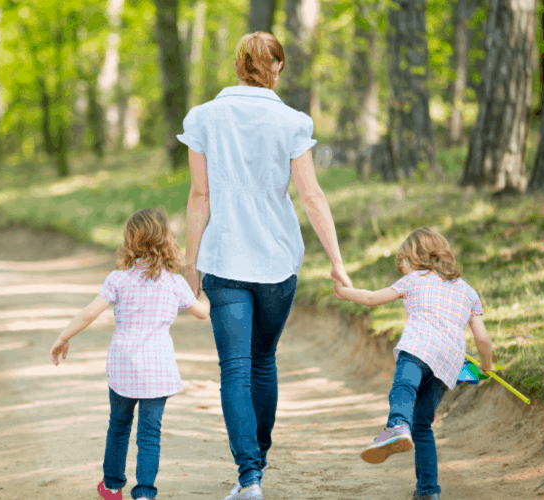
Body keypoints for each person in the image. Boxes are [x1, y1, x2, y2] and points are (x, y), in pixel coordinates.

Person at [178, 31, 353, 500]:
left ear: (238, 65)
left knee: (234, 368)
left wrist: (190, 265)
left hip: (226, 257)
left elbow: (200, 195)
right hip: (278, 261)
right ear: (276, 68)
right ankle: (260, 460)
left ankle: (249, 477)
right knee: (262, 361)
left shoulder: (204, 118)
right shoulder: (292, 122)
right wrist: (337, 262)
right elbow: (311, 196)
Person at [48, 207, 210, 500]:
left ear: (130, 241)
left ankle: (111, 486)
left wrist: (63, 337)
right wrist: (205, 289)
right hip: (157, 370)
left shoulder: (119, 279)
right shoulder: (174, 283)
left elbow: (89, 313)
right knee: (150, 434)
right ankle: (145, 493)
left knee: (119, 426)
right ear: (167, 240)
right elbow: (202, 313)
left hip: (124, 367)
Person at [332, 227, 495, 500]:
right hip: (448, 363)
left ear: (417, 258)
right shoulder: (468, 291)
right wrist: (487, 366)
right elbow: (483, 338)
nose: (402, 272)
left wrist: (346, 292)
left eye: (403, 265)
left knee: (404, 387)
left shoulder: (416, 279)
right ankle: (428, 491)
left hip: (419, 347)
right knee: (422, 425)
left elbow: (372, 298)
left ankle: (396, 425)